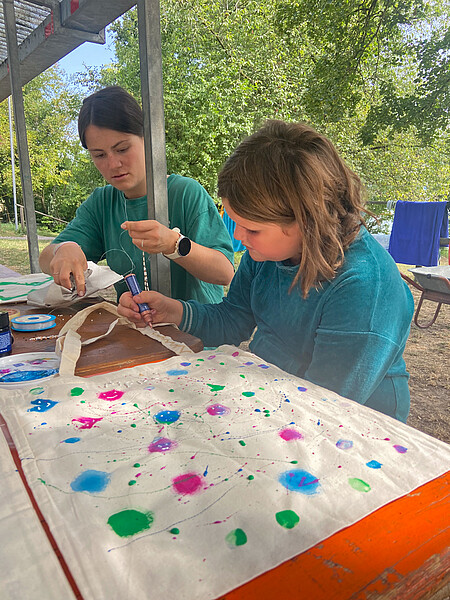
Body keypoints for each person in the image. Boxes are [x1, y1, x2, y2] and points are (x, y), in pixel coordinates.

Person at [118, 120, 415, 422]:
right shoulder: (268, 253)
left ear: (306, 221)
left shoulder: (364, 287)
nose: (240, 238)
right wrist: (172, 311)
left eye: (252, 229)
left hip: (358, 426)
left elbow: (324, 406)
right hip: (277, 394)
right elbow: (233, 320)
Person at [39, 86, 234, 303]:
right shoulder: (102, 203)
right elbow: (46, 258)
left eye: (122, 149)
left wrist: (175, 244)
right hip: (136, 332)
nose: (113, 164)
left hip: (193, 333)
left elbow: (224, 272)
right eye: (99, 155)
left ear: (147, 138)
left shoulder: (185, 193)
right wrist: (64, 249)